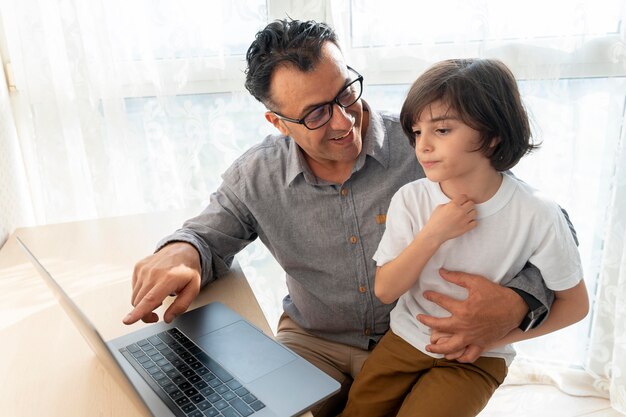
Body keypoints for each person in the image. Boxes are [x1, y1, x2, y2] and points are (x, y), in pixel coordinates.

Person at [123, 20, 569, 416]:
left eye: (346, 93)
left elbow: (530, 220)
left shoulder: (427, 144)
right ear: (278, 122)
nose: (342, 121)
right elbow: (206, 234)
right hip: (315, 343)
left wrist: (520, 302)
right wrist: (180, 252)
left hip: (421, 336)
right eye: (315, 113)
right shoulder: (257, 174)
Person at [341, 59, 589, 417]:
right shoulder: (411, 199)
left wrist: (493, 337)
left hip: (479, 358)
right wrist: (433, 234)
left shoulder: (538, 213)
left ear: (492, 134)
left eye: (441, 130)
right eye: (416, 131)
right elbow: (385, 290)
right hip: (405, 340)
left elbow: (575, 305)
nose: (422, 146)